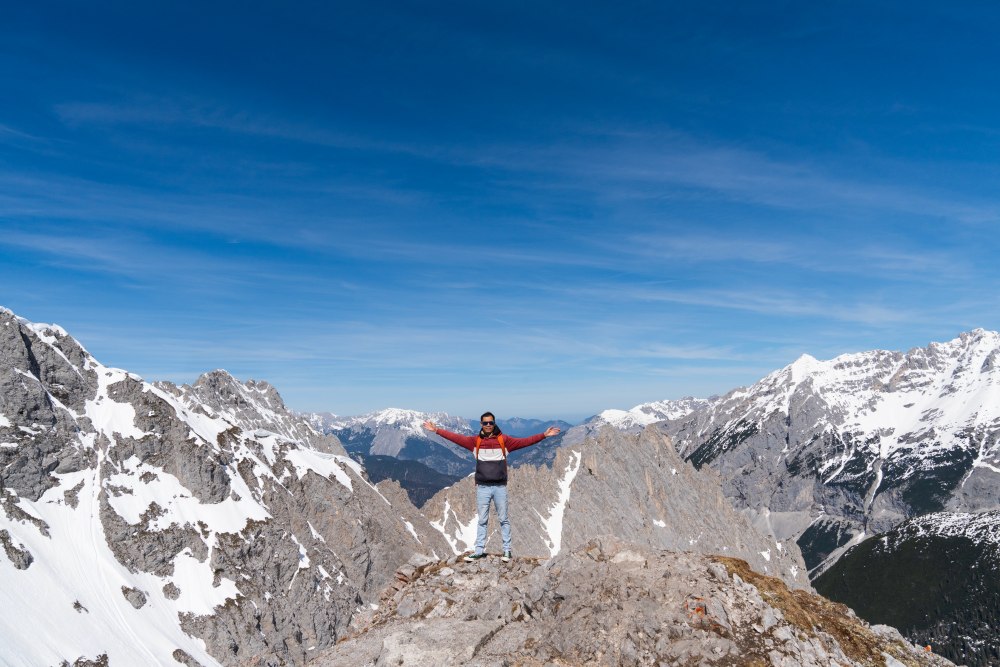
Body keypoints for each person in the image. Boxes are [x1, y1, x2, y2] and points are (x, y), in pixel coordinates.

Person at [423, 412, 560, 563]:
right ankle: (479, 551)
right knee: (482, 520)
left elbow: (525, 441)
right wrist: (436, 431)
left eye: (490, 423)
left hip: (500, 487)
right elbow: (456, 438)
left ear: (494, 423)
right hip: (483, 487)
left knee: (503, 519)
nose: (488, 425)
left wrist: (544, 435)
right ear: (481, 424)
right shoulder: (475, 442)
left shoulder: (504, 441)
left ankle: (507, 551)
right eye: (485, 423)